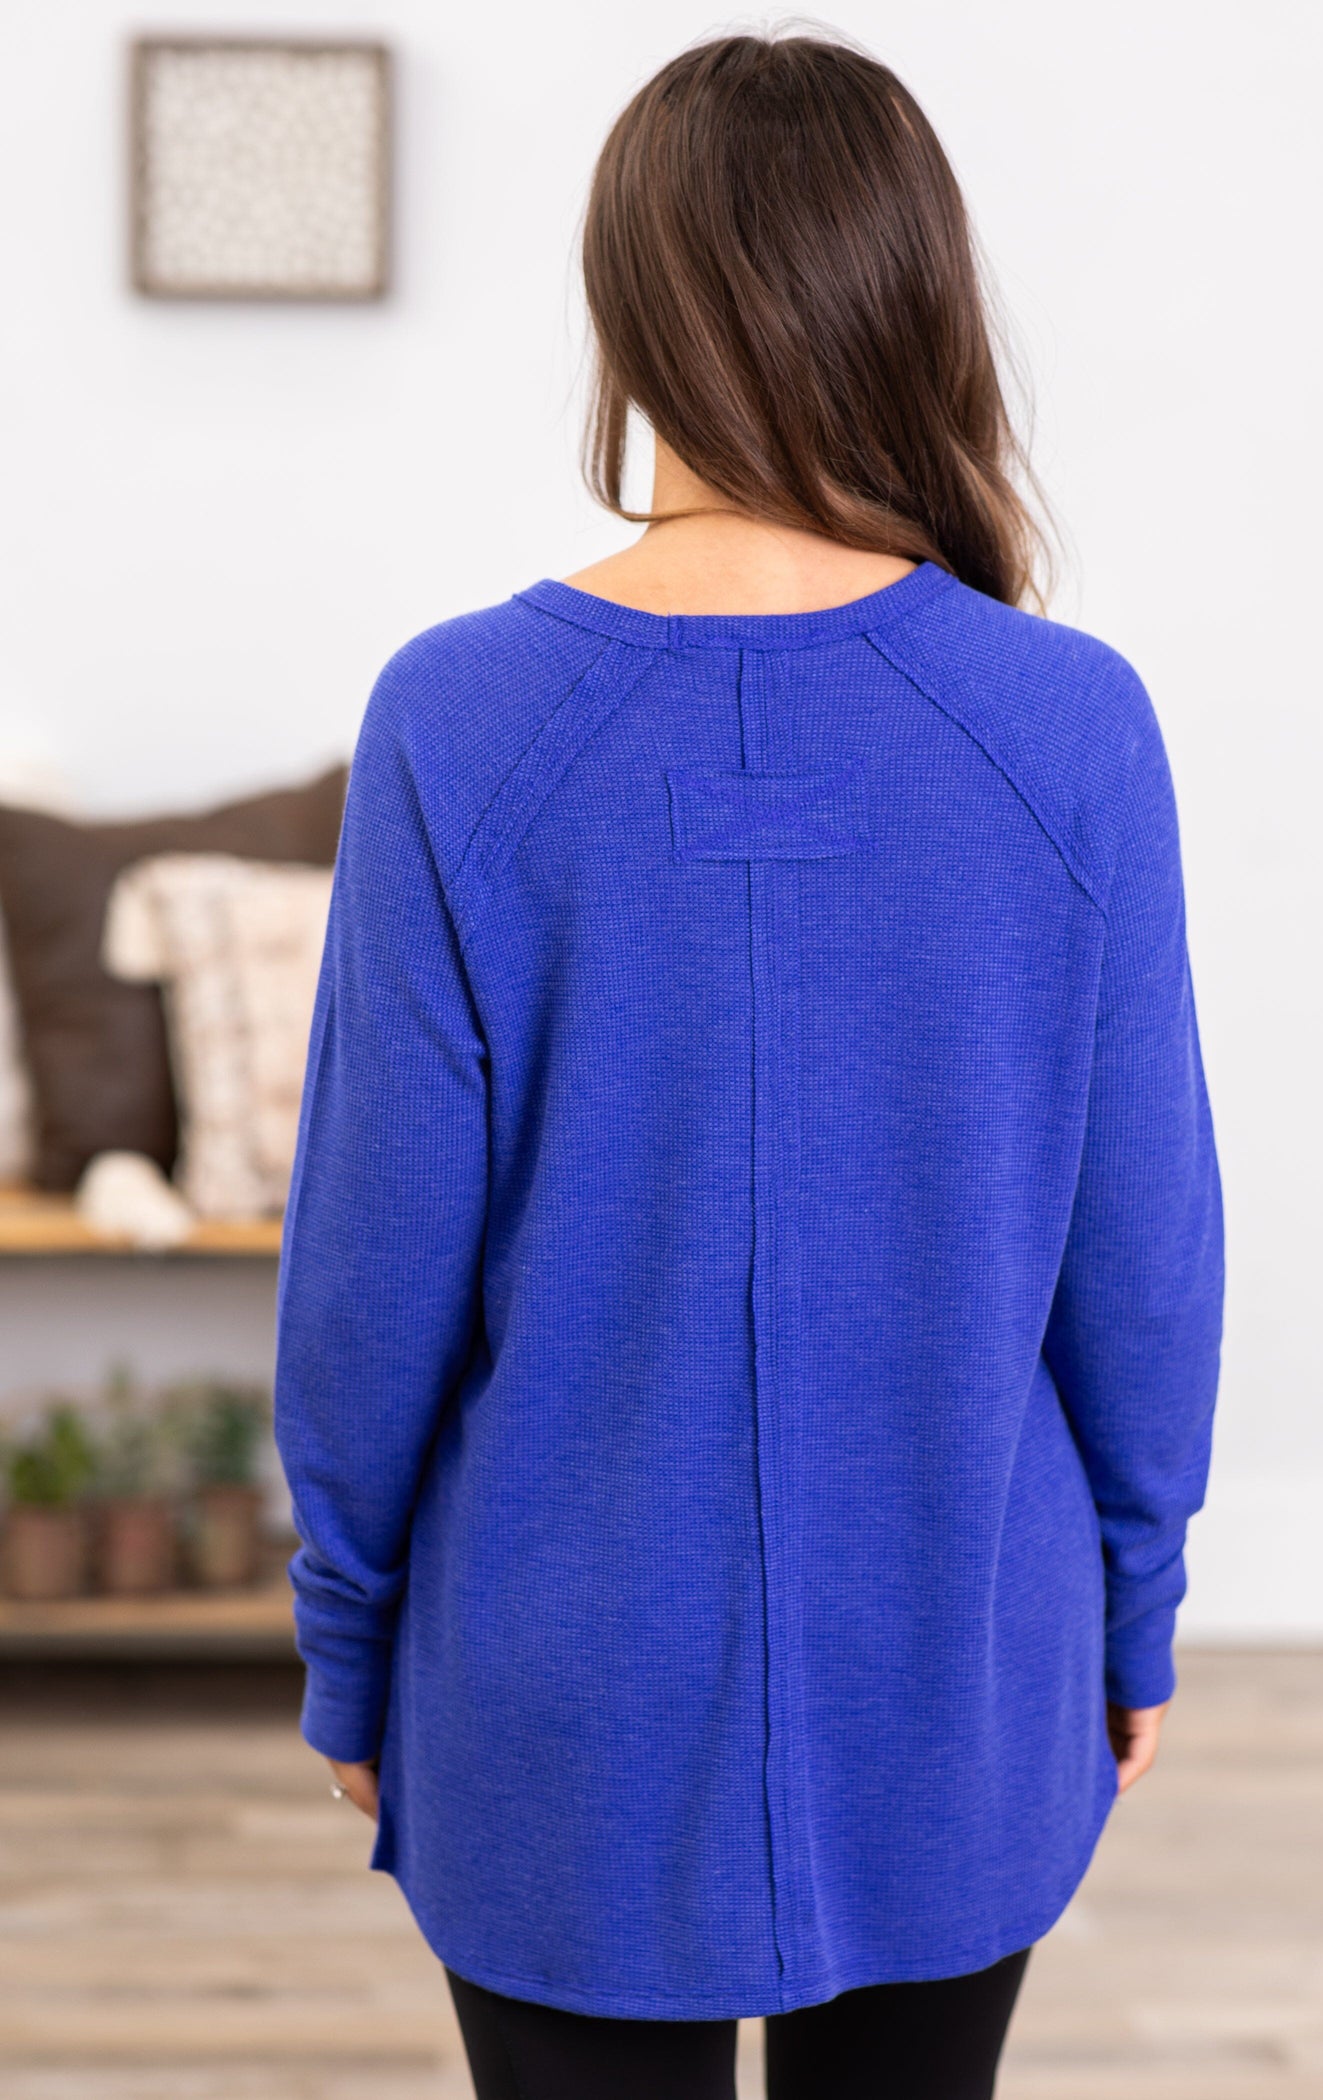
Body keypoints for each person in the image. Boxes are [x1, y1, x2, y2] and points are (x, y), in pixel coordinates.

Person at [273, 31, 1224, 2100]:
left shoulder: (461, 718)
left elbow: (366, 1272)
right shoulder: (1070, 728)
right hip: (959, 1674)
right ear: (915, 297)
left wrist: (348, 1639)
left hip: (557, 1704)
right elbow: (1143, 1260)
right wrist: (1133, 1607)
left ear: (625, 310)